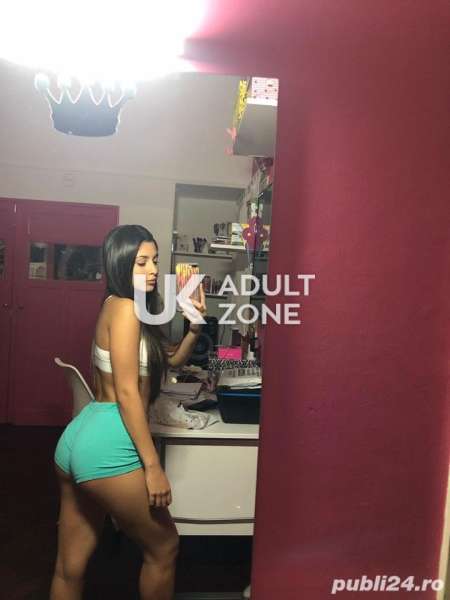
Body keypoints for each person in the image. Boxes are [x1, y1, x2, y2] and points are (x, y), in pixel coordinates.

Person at [50, 224, 207, 600]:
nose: (153, 269)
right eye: (141, 262)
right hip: (110, 442)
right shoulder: (125, 308)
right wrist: (152, 467)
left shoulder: (121, 306)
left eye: (154, 260)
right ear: (120, 264)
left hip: (81, 437)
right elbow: (126, 392)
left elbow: (170, 360)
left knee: (69, 567)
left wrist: (194, 327)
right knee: (164, 548)